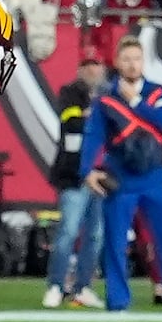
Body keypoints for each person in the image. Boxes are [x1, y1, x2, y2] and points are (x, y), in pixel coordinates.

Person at [81, 37, 162, 313]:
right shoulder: (106, 99)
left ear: (143, 62)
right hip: (121, 177)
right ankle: (118, 300)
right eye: (127, 59)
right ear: (118, 63)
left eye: (137, 59)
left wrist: (137, 102)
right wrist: (87, 171)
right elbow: (93, 135)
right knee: (115, 242)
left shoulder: (157, 92)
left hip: (154, 177)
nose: (132, 64)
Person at [43, 49, 107, 308]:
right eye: (88, 65)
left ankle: (83, 286)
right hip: (73, 175)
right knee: (68, 232)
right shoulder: (70, 92)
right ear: (80, 69)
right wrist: (96, 118)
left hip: (101, 175)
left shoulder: (108, 94)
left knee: (95, 235)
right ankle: (56, 284)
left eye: (96, 65)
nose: (92, 70)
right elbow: (71, 121)